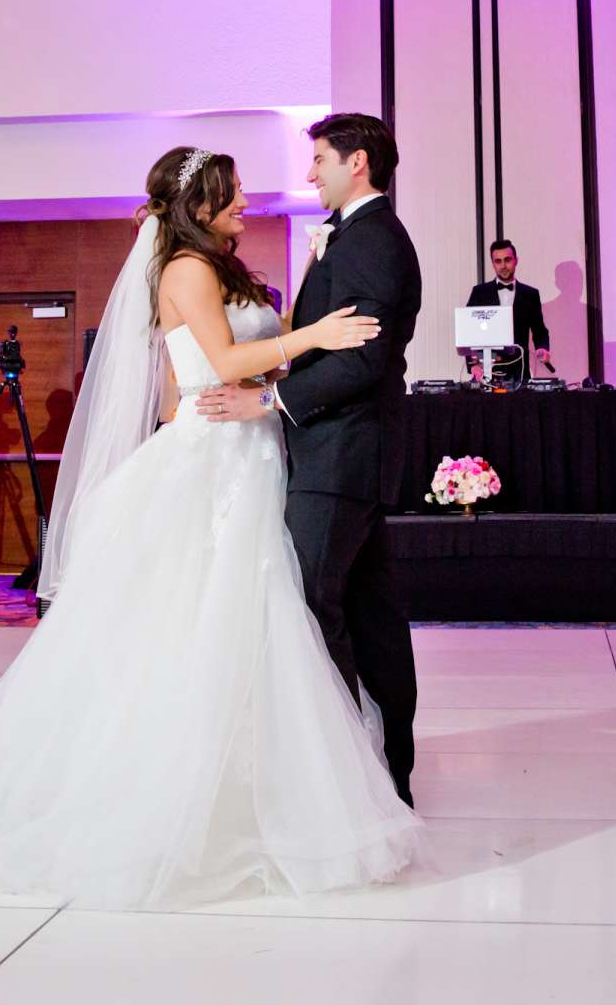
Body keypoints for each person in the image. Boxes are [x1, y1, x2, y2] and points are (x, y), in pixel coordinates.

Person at [0, 142, 417, 907]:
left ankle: (264, 780)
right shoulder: (186, 268)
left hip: (250, 448)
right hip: (213, 461)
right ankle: (184, 792)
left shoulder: (223, 266)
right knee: (200, 622)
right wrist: (313, 336)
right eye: (234, 194)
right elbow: (219, 360)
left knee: (252, 622)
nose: (248, 202)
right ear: (201, 204)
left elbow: (236, 365)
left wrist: (284, 363)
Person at [201, 113, 425, 802]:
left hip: (341, 454)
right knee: (367, 610)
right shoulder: (355, 236)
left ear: (357, 163)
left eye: (320, 159)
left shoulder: (374, 240)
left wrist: (270, 402)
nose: (309, 172)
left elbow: (362, 357)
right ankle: (383, 765)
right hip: (338, 453)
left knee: (309, 605)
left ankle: (345, 770)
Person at [465, 239, 552, 387]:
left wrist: (542, 348)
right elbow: (468, 332)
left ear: (516, 261)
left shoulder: (530, 294)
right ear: (493, 263)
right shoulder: (479, 293)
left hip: (520, 371)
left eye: (507, 260)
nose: (503, 266)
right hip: (487, 371)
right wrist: (473, 364)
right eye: (498, 261)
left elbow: (539, 330)